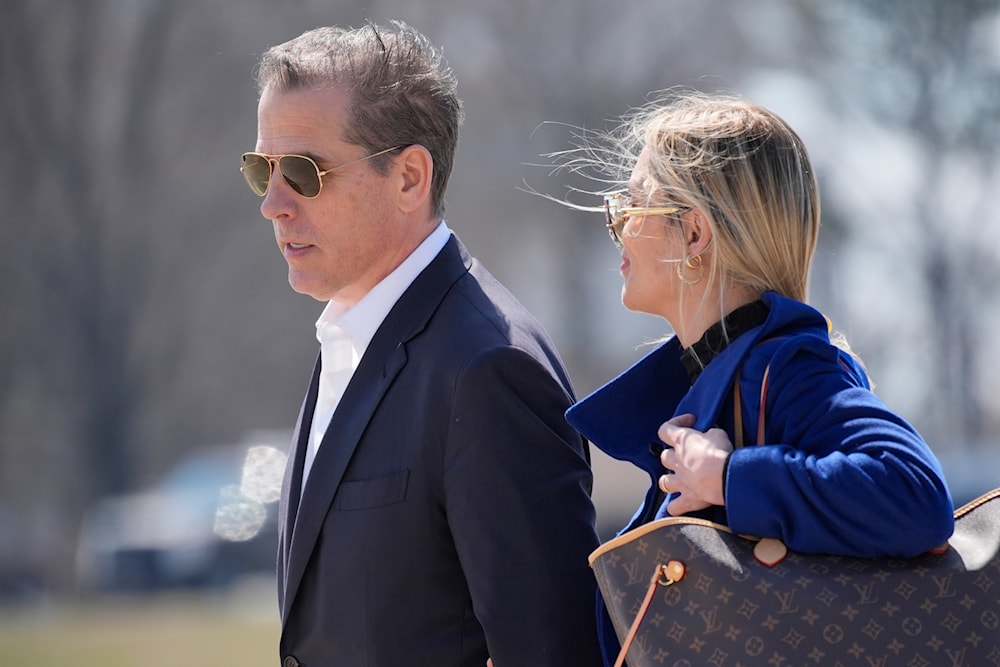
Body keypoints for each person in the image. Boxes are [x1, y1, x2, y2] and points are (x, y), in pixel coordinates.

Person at [240, 21, 603, 667]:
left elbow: (553, 649)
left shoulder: (490, 368)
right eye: (260, 168)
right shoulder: (350, 332)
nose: (272, 202)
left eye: (301, 169)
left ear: (409, 177)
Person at [556, 91, 955, 665]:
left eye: (632, 205)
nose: (616, 226)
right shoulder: (730, 374)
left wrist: (727, 477)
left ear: (694, 236)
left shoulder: (790, 366)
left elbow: (916, 493)